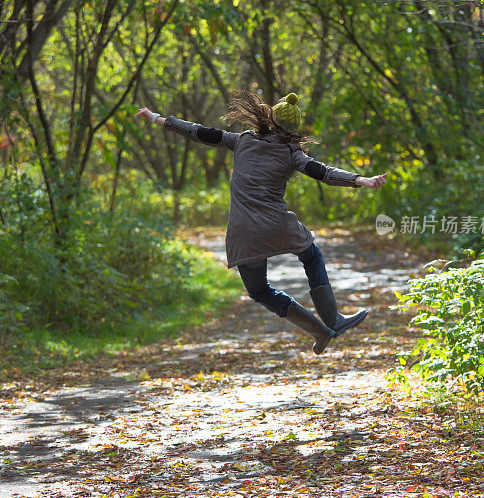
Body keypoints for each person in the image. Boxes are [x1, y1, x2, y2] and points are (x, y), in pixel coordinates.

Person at [135, 92, 387, 354]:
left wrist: (157, 118)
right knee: (311, 256)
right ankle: (331, 320)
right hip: (278, 226)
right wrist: (360, 179)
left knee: (258, 290)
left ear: (271, 118)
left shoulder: (241, 140)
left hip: (242, 232)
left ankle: (318, 331)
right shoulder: (292, 152)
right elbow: (322, 172)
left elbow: (199, 132)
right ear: (293, 129)